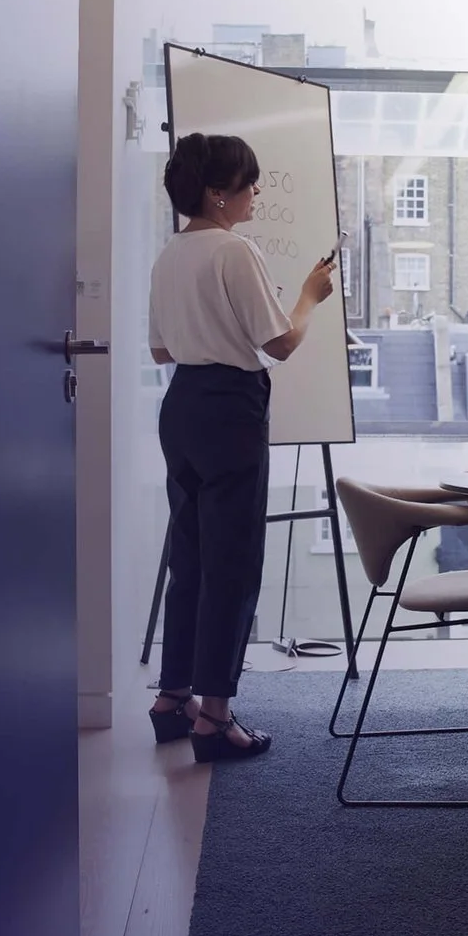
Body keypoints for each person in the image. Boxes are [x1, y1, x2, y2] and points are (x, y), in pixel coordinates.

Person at [146, 132, 336, 763]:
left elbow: (162, 350)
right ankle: (216, 719)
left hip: (182, 405)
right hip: (230, 409)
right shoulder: (234, 250)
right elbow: (279, 343)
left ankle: (173, 699)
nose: (256, 192)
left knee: (191, 557)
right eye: (249, 183)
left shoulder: (169, 255)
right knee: (232, 562)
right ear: (217, 194)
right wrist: (309, 295)